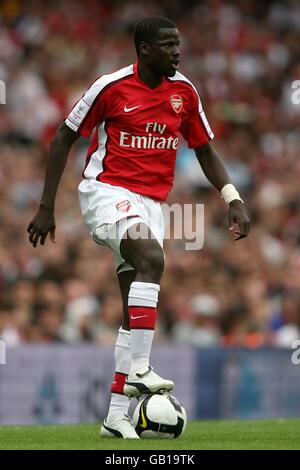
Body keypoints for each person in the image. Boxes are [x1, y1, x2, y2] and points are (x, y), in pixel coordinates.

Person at [27, 16, 250, 439]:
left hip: (152, 204)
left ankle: (115, 416)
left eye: (179, 44)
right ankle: (142, 371)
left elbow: (204, 149)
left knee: (134, 311)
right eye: (168, 45)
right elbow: (62, 136)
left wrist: (232, 197)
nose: (177, 52)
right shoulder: (110, 87)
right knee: (152, 257)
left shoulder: (184, 92)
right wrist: (45, 207)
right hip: (106, 191)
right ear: (144, 49)